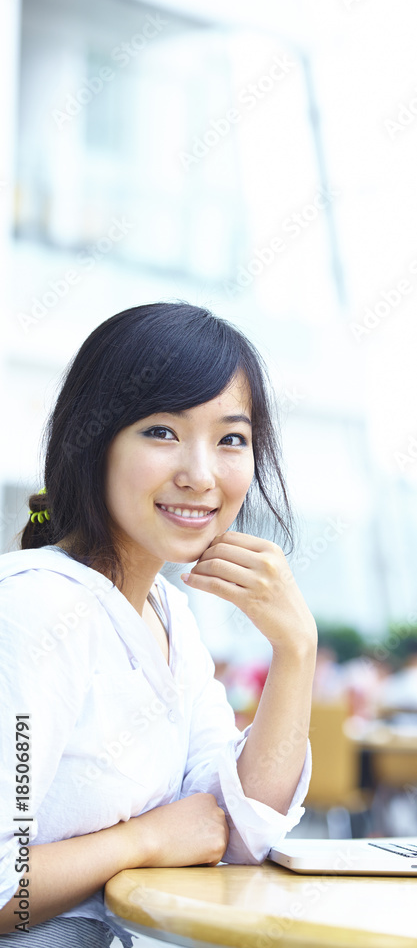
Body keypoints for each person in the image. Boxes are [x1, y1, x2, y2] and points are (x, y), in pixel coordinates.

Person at [0, 302, 317, 946]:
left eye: (231, 439)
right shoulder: (40, 610)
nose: (199, 475)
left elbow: (238, 829)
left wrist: (295, 650)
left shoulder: (169, 611)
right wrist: (144, 839)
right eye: (162, 432)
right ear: (93, 443)